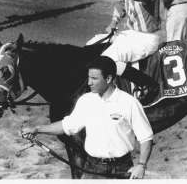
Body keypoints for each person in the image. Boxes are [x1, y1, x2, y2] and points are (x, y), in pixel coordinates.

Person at [21, 56, 153, 179]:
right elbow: (67, 126)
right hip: (92, 168)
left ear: (108, 79)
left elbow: (146, 137)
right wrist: (37, 129)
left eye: (94, 78)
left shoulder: (129, 102)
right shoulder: (85, 101)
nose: (89, 82)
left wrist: (141, 165)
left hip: (122, 169)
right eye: (88, 77)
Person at [101, 0, 162, 104]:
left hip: (148, 37)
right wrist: (113, 23)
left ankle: (147, 85)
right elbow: (121, 3)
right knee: (95, 44)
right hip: (131, 33)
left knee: (108, 60)